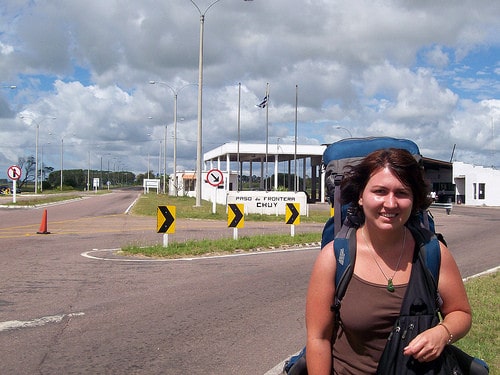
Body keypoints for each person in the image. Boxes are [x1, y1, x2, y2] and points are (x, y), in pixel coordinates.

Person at [305, 148, 472, 375]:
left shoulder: (432, 253)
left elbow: (461, 313)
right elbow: (318, 338)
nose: (391, 203)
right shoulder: (335, 257)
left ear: (414, 199)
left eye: (402, 193)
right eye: (380, 191)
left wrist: (443, 333)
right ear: (361, 196)